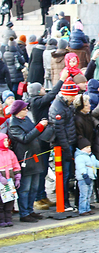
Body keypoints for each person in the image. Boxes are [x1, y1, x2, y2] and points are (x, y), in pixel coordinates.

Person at [28, 72, 65, 210]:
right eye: (42, 88)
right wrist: (61, 80)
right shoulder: (36, 102)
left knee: (43, 170)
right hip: (40, 143)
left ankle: (42, 196)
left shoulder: (37, 102)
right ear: (38, 91)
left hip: (44, 142)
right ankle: (38, 198)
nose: (45, 90)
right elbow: (51, 94)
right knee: (41, 170)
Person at [8, 100, 47, 222]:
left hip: (34, 156)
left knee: (34, 187)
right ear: (18, 111)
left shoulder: (26, 119)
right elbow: (25, 138)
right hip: (25, 158)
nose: (27, 111)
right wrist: (39, 127)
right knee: (25, 188)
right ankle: (24, 213)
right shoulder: (14, 124)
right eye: (24, 109)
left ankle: (30, 210)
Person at [49, 77, 79, 208]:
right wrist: (66, 148)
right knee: (64, 175)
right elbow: (59, 131)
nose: (74, 98)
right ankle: (63, 202)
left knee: (67, 174)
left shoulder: (66, 104)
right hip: (62, 146)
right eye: (73, 96)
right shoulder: (58, 108)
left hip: (69, 142)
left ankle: (66, 201)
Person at [74, 138, 99, 216]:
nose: (89, 149)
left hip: (91, 177)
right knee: (84, 194)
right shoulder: (80, 157)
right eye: (86, 147)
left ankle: (87, 208)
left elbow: (95, 164)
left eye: (89, 147)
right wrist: (84, 175)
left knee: (89, 194)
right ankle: (82, 209)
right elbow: (80, 167)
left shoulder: (91, 156)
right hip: (84, 179)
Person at [0, 132, 20, 226]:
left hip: (10, 182)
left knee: (10, 202)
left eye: (7, 140)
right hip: (1, 183)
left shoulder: (11, 153)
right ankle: (1, 220)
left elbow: (16, 165)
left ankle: (8, 219)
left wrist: (17, 176)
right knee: (1, 203)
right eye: (4, 141)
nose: (7, 142)